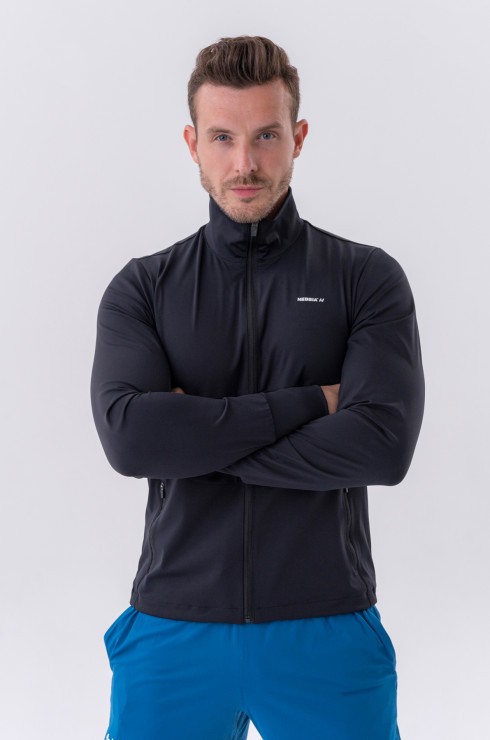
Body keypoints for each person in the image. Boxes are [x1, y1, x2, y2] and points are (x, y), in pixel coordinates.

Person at [90, 35, 425, 740]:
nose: (244, 163)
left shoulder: (364, 278)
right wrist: (315, 403)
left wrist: (195, 440)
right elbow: (132, 442)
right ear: (193, 144)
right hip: (174, 629)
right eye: (223, 137)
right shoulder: (144, 288)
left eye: (266, 136)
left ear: (297, 138)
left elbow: (383, 447)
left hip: (326, 627)